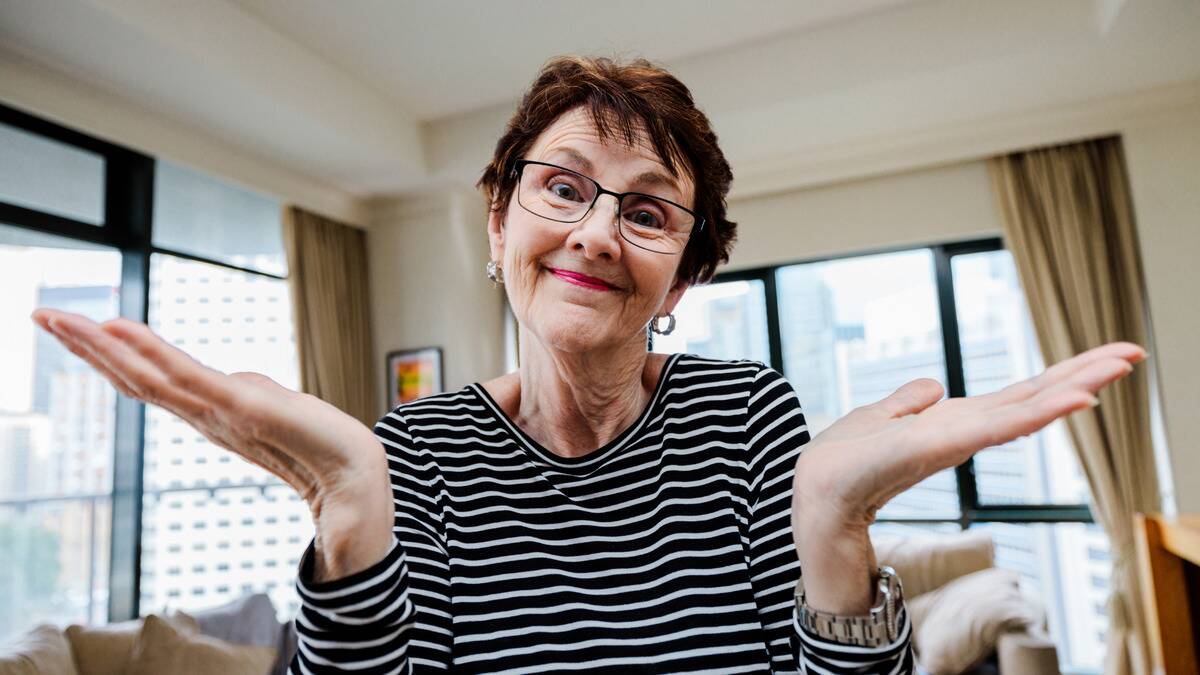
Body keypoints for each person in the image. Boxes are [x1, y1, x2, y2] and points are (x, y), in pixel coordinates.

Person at [31, 56, 1146, 674]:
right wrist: (347, 510)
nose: (597, 232)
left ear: (682, 274)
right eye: (562, 185)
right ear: (496, 221)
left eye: (648, 212)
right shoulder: (412, 452)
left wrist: (836, 543)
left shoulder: (750, 416)